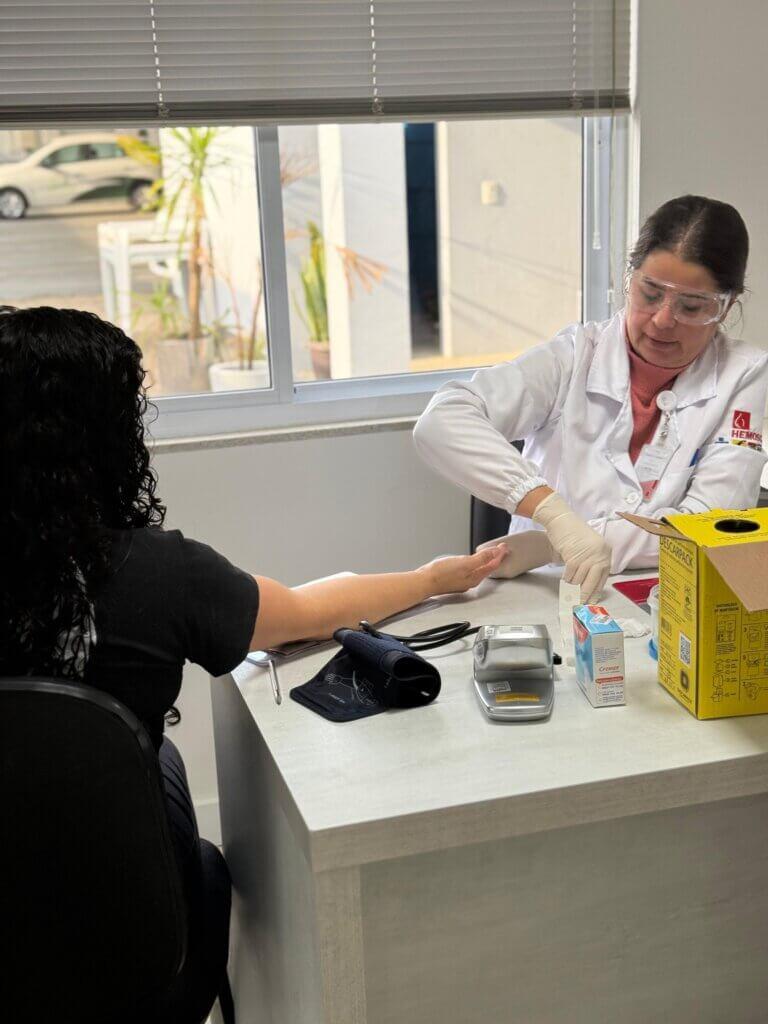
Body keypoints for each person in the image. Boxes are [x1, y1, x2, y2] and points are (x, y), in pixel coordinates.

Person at [0, 305, 506, 1023]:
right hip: (131, 956)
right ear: (105, 437)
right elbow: (306, 613)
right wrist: (429, 579)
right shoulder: (159, 573)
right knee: (165, 783)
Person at [413, 195, 768, 600]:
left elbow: (711, 525)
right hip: (543, 590)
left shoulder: (743, 373)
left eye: (691, 306)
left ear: (725, 308)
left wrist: (551, 545)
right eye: (650, 293)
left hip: (665, 597)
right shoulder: (573, 357)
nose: (662, 320)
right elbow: (441, 421)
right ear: (629, 280)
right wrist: (551, 514)